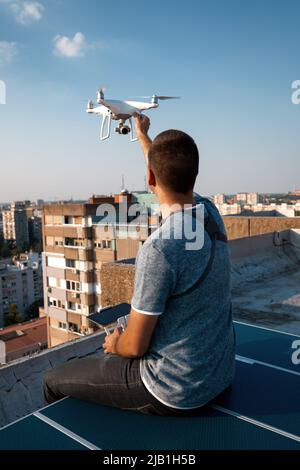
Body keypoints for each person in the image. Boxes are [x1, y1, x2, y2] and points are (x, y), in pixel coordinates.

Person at [43, 116, 235, 416]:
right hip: (218, 375)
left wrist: (115, 343)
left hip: (174, 390)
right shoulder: (210, 213)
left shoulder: (159, 249)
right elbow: (161, 163)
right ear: (194, 174)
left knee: (53, 380)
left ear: (150, 178)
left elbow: (135, 348)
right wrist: (142, 134)